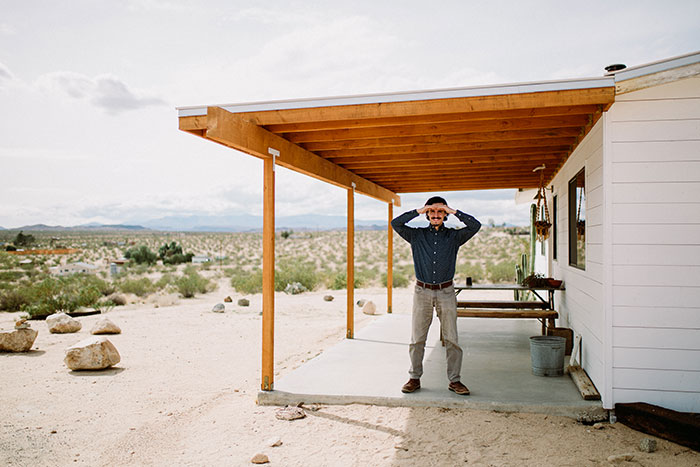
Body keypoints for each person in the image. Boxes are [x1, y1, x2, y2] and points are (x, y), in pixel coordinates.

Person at [391, 196, 481, 395]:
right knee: (417, 338)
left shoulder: (454, 237)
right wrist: (419, 210)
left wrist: (453, 210)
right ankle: (414, 378)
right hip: (422, 291)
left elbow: (475, 225)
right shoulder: (416, 235)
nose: (436, 215)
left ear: (445, 215)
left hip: (446, 292)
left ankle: (455, 381)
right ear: (427, 214)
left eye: (440, 212)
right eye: (432, 211)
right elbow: (395, 223)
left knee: (452, 338)